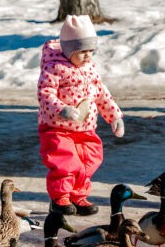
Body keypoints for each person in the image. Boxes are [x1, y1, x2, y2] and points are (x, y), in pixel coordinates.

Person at [37, 14, 125, 216]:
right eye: (82, 51)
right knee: (66, 162)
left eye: (91, 51)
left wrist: (114, 116)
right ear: (68, 50)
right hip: (58, 127)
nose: (87, 56)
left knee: (89, 160)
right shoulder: (54, 67)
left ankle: (78, 196)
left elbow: (101, 93)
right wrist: (62, 109)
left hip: (86, 128)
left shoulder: (90, 68)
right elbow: (45, 94)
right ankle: (60, 198)